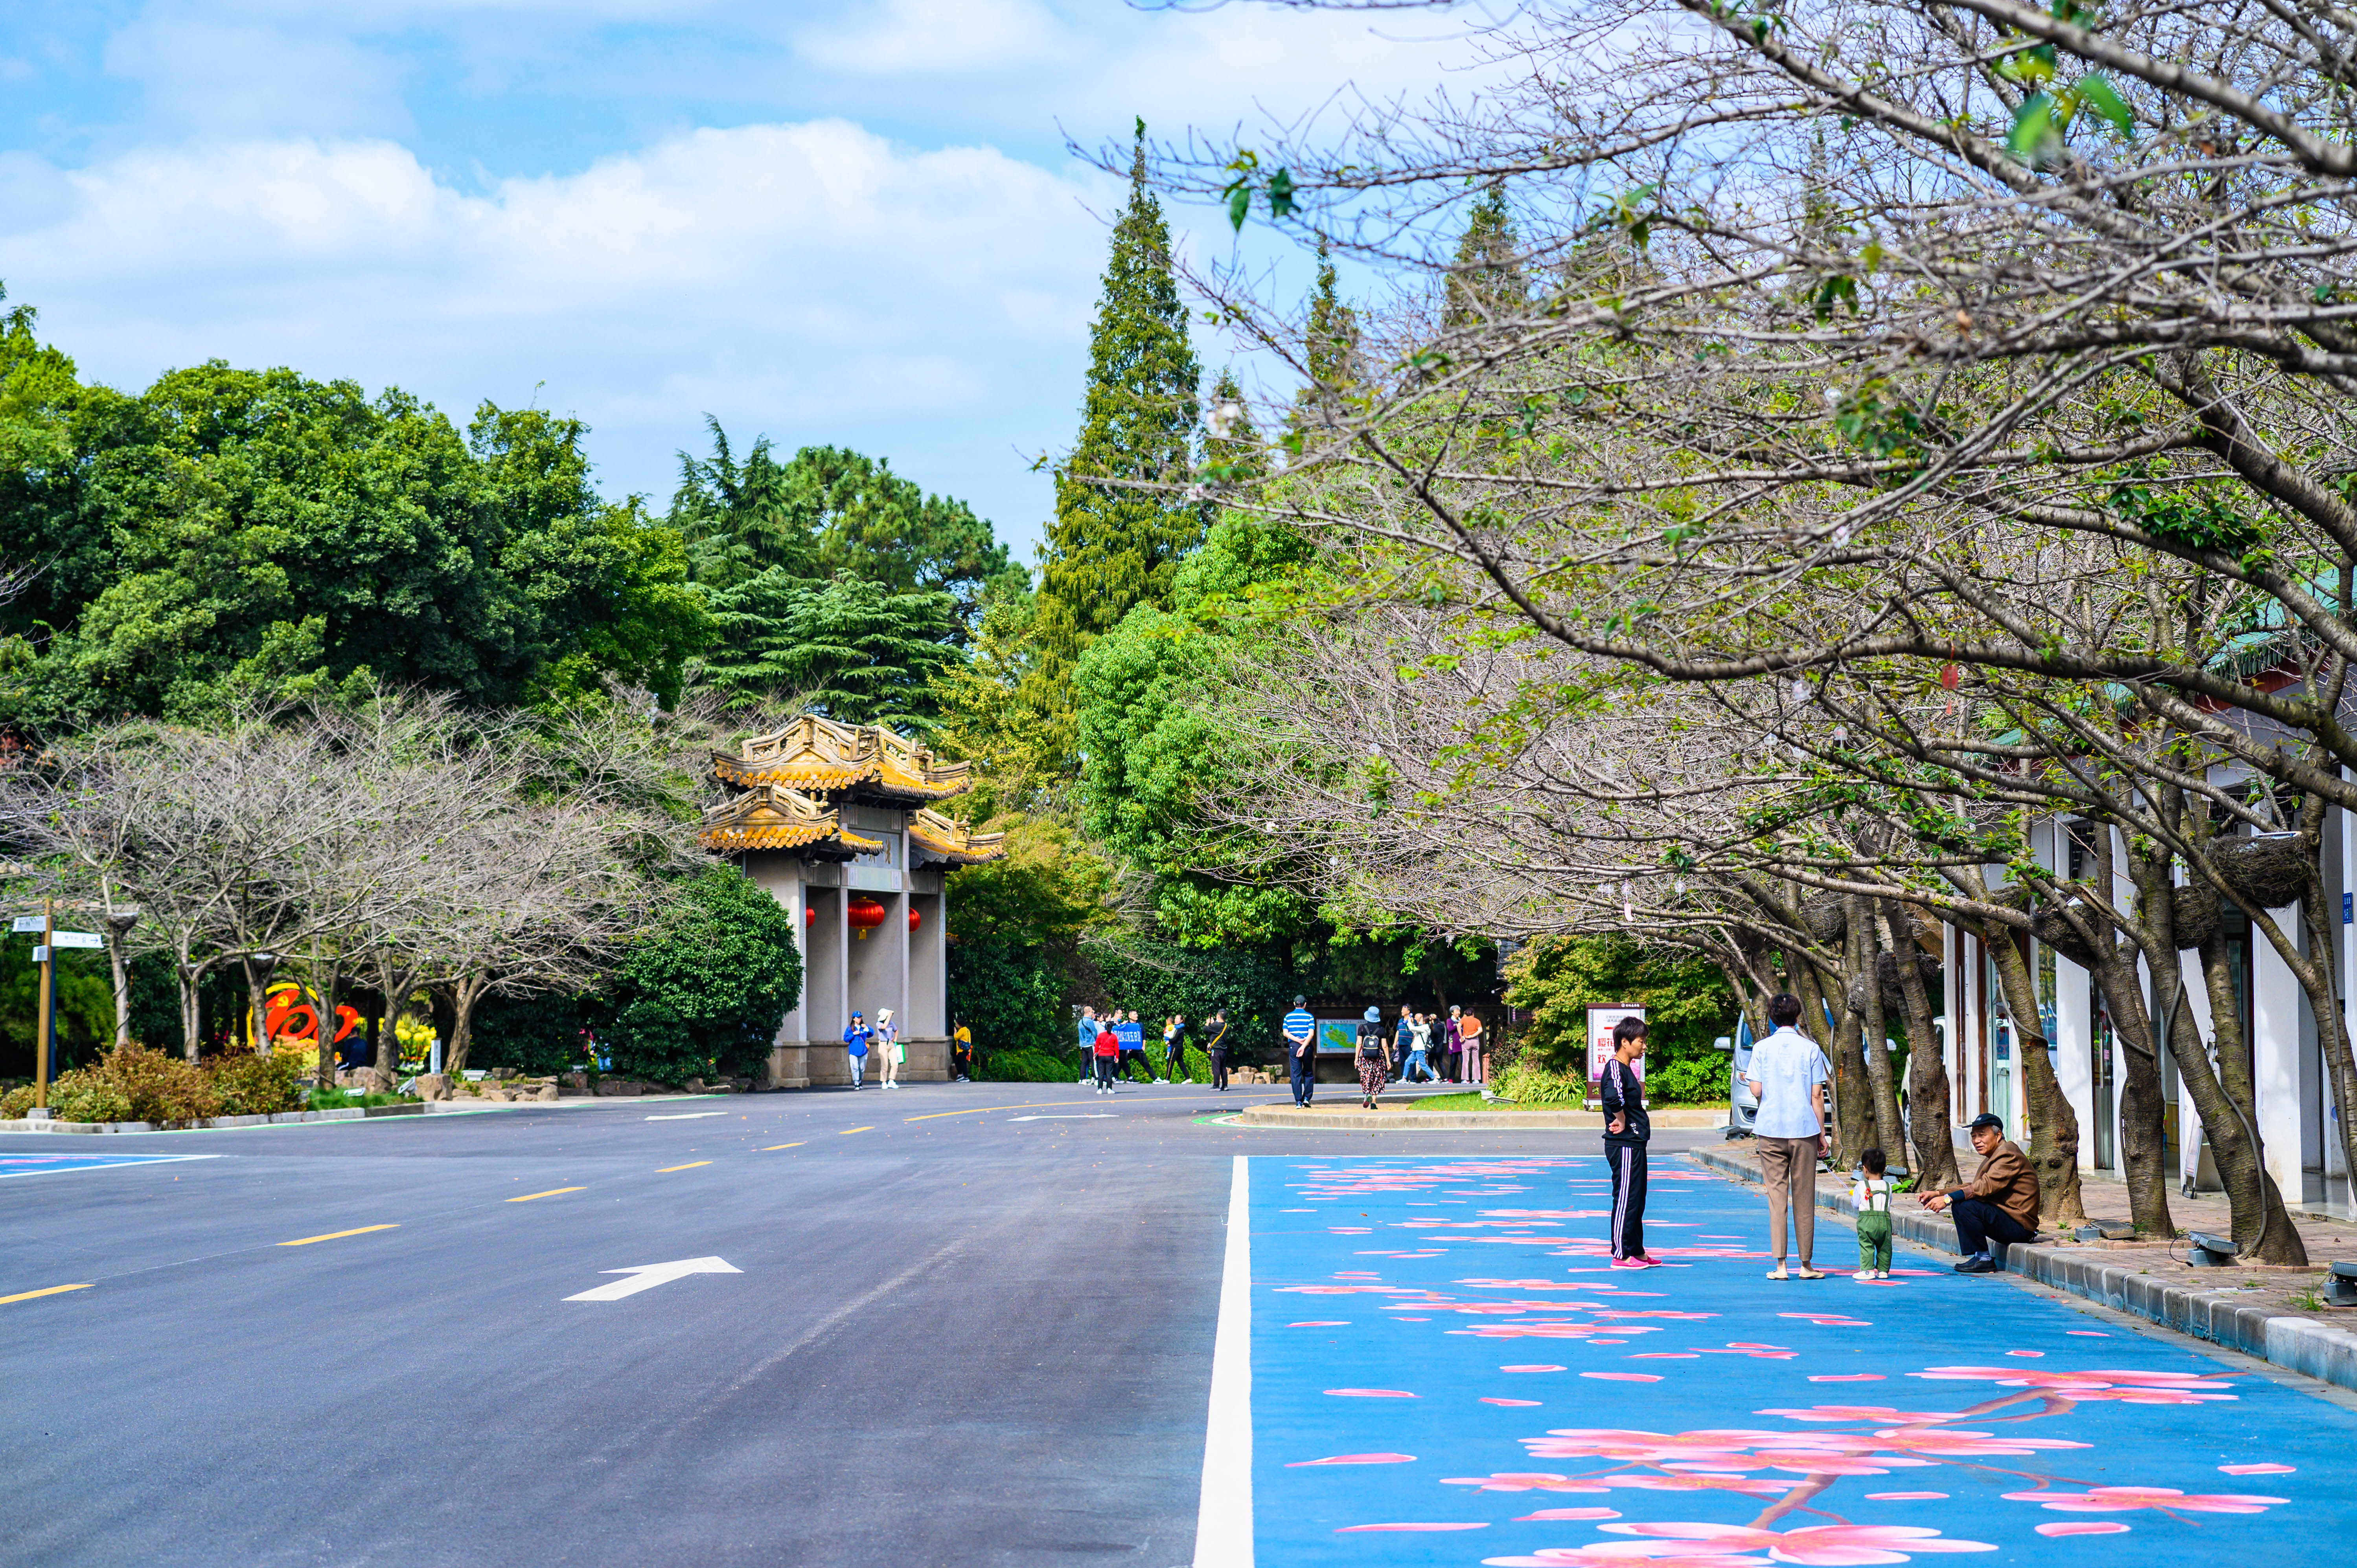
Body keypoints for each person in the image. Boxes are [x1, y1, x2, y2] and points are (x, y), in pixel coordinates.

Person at [1748, 991, 1833, 1280]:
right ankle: (1806, 1264)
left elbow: (1756, 1090)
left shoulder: (1761, 1048)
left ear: (1771, 1018)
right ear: (1798, 1017)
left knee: (1776, 1196)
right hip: (1803, 1129)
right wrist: (1822, 1134)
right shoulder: (1810, 1048)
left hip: (1770, 1128)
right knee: (1804, 1195)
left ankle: (1780, 1265)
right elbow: (1817, 1094)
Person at [1923, 1113, 2040, 1272]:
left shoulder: (2008, 1155)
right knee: (1963, 1201)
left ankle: (1984, 1259)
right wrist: (1938, 1193)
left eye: (1982, 1135)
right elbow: (1976, 1186)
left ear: (1998, 1135)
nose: (1977, 1141)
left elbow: (1984, 1187)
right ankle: (1980, 1256)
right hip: (2009, 1221)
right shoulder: (1996, 1154)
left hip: (2020, 1228)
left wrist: (1948, 1199)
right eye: (1974, 1136)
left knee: (1965, 1206)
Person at [1600, 1015, 1653, 1267]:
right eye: (1641, 1042)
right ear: (1625, 1042)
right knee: (1625, 1198)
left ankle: (1636, 1249)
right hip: (1624, 1145)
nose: (1644, 1047)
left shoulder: (1626, 1068)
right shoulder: (1614, 1068)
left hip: (1635, 1144)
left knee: (1637, 1197)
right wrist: (1620, 1119)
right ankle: (1620, 1254)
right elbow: (1614, 1098)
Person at [1852, 1147, 1894, 1281]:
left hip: (1867, 1221)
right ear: (1884, 1169)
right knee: (1885, 1246)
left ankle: (1867, 1270)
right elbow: (1889, 1202)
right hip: (1885, 1221)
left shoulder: (1861, 1185)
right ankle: (1883, 1271)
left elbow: (1855, 1204)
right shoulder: (1889, 1186)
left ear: (1865, 1169)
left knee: (1867, 1244)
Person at [1283, 994, 1317, 1107]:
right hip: (1307, 1047)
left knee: (1296, 1074)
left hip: (1294, 1046)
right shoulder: (1310, 1017)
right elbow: (1311, 1034)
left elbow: (1286, 1033)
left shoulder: (1288, 1017)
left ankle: (1298, 1101)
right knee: (1308, 1072)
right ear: (1305, 1004)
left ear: (1294, 1004)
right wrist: (1303, 1046)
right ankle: (1307, 1098)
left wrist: (1297, 1040)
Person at [1355, 1006, 1389, 1110]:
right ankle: (1374, 1102)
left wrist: (1356, 1058)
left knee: (1366, 1077)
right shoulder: (1381, 1030)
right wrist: (1388, 1060)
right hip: (1377, 1057)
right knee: (1377, 1079)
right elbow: (1384, 1046)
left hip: (1365, 1057)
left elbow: (1359, 1043)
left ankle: (1368, 1093)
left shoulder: (1362, 1028)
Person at [1116, 1011, 1153, 1083]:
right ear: (1130, 1016)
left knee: (1146, 1064)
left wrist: (1143, 1046)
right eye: (1135, 1014)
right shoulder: (1127, 1025)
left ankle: (1155, 1078)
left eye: (1137, 1014)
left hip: (1138, 1049)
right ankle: (1115, 1077)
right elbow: (1123, 1036)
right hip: (1129, 1050)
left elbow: (1144, 1035)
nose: (1137, 1015)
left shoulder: (1140, 1024)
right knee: (1122, 1063)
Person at [1203, 1010, 1231, 1090]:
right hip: (1224, 1050)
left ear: (1218, 1017)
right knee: (1223, 1067)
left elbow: (1205, 1030)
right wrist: (1213, 1024)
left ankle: (1216, 1085)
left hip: (1216, 1050)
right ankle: (1225, 1085)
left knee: (1216, 1067)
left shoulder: (1216, 1026)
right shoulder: (1225, 1025)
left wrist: (1207, 1023)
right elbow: (1216, 1032)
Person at [843, 1012, 871, 1091]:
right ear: (854, 1019)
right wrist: (854, 1034)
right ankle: (856, 1083)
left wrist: (867, 1027)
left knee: (862, 1068)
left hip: (863, 1051)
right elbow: (846, 1039)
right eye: (858, 1018)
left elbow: (871, 1033)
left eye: (860, 1018)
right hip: (853, 1051)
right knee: (855, 1067)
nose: (859, 1019)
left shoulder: (864, 1028)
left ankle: (860, 1081)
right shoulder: (850, 1029)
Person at [874, 1008, 902, 1088]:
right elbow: (884, 1027)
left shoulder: (891, 1023)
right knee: (885, 1065)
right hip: (883, 1045)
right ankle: (884, 1082)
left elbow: (896, 1030)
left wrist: (895, 1039)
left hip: (891, 1044)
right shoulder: (879, 1023)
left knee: (895, 1064)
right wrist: (889, 1016)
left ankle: (892, 1081)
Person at [1092, 1016, 1120, 1095]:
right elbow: (1116, 1048)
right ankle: (1109, 1088)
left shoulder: (1100, 1036)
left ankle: (1100, 1089)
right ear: (1112, 1028)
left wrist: (1095, 1055)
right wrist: (1117, 1057)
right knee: (1109, 1073)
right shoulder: (1114, 1037)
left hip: (1101, 1056)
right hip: (1110, 1056)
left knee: (1101, 1073)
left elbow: (1097, 1046)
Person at [1405, 1012, 1434, 1083]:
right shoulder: (1422, 1027)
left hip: (1420, 1049)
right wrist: (1411, 1023)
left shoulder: (1425, 1027)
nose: (1419, 1021)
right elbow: (1414, 1031)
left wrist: (1409, 1022)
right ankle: (1404, 1078)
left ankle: (1434, 1078)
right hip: (1416, 1049)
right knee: (1408, 1062)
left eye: (1421, 1019)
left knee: (1423, 1065)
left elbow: (1412, 1029)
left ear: (1424, 1021)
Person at [1459, 1007, 1485, 1085]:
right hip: (1475, 1041)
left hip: (1466, 1041)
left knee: (1465, 1060)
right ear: (1473, 1014)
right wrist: (1473, 1035)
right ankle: (1476, 1079)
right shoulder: (1477, 1021)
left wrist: (1461, 1036)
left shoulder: (1464, 1019)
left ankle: (1465, 1079)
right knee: (1476, 1060)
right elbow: (1480, 1030)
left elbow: (1458, 1026)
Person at [1075, 1006, 1100, 1085]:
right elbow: (1094, 1032)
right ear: (1089, 1012)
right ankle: (1097, 1078)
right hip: (1091, 1043)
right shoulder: (1089, 1022)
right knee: (1094, 1061)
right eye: (1092, 1012)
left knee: (1084, 1062)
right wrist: (1098, 1041)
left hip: (1083, 1044)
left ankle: (1082, 1079)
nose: (1093, 1014)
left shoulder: (1080, 1022)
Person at [1163, 1013, 1189, 1085]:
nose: (1176, 1020)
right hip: (1180, 1048)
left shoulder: (1179, 1029)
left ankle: (1167, 1079)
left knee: (1170, 1062)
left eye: (1178, 1019)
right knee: (1181, 1063)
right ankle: (1188, 1078)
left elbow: (1175, 1039)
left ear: (1181, 1021)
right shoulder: (1177, 1028)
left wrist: (1168, 1041)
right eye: (1176, 1018)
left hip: (1176, 1047)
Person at [1393, 1006, 1415, 1086]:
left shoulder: (1412, 1021)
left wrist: (1413, 1042)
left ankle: (1413, 1079)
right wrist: (1395, 1042)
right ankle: (1403, 1078)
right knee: (1402, 1062)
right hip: (1401, 1044)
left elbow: (1415, 1031)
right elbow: (1398, 1032)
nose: (1402, 1011)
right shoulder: (1400, 1021)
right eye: (1402, 1009)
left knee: (1411, 1062)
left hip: (1409, 1044)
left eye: (1404, 1010)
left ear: (1409, 1011)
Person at [1439, 1009, 1463, 1082]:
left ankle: (1464, 1079)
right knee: (1453, 1062)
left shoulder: (1462, 1020)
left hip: (1462, 1044)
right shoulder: (1449, 1020)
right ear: (1452, 1013)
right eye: (1456, 1011)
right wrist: (1458, 1025)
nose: (1458, 1013)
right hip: (1454, 1045)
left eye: (1459, 1011)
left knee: (1463, 1062)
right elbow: (1450, 1029)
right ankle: (1451, 1079)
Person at [952, 1019, 974, 1083]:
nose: (956, 1026)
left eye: (957, 1024)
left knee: (963, 1063)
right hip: (966, 1049)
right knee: (957, 1061)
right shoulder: (967, 1030)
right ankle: (960, 1075)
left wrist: (955, 1032)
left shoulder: (962, 1030)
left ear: (960, 1025)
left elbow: (956, 1038)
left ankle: (966, 1077)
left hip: (962, 1050)